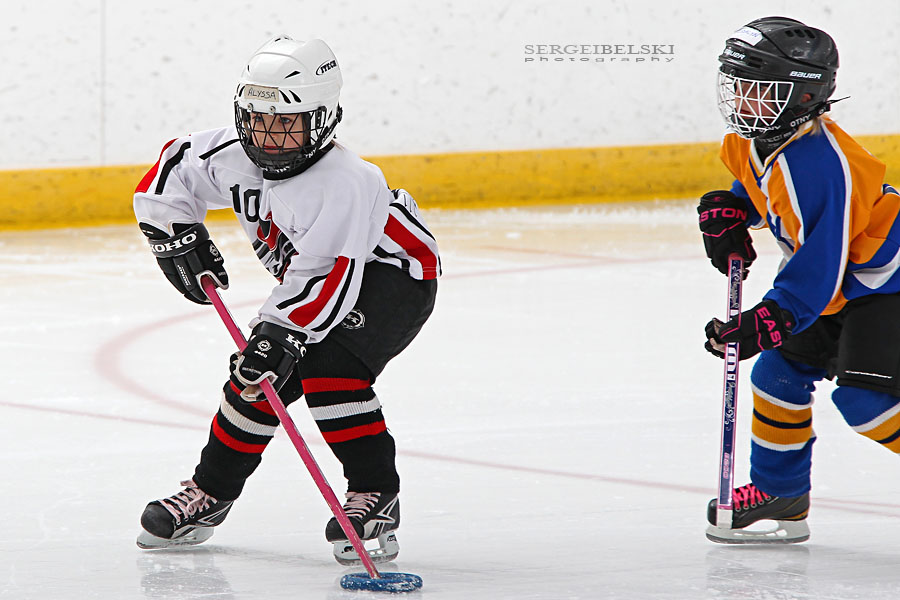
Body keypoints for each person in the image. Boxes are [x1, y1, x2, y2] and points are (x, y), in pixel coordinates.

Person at [132, 36, 440, 565]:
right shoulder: (232, 153)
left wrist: (279, 333)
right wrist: (173, 232)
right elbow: (174, 167)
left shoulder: (346, 182)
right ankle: (209, 495)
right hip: (318, 281)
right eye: (257, 120)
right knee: (255, 382)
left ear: (322, 119)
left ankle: (375, 491)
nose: (269, 139)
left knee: (328, 371)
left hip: (392, 275)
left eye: (286, 125)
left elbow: (329, 274)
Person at [698, 16, 900, 543]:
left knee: (868, 402)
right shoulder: (753, 141)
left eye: (759, 88)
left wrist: (768, 320)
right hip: (856, 282)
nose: (743, 99)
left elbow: (820, 271)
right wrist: (733, 210)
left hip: (889, 281)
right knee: (777, 375)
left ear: (803, 97)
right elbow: (763, 190)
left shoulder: (819, 166)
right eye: (738, 85)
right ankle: (782, 495)